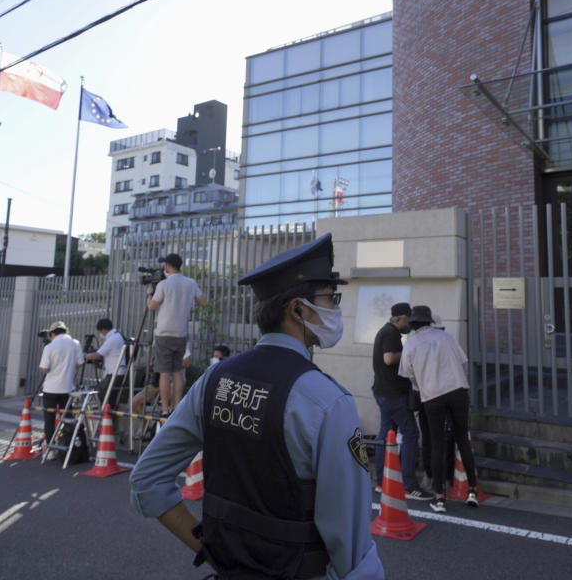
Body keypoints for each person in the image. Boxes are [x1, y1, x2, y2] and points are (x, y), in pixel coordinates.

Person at [130, 233, 384, 579]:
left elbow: (147, 480)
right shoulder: (327, 402)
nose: (336, 309)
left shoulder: (213, 379)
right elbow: (352, 554)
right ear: (298, 309)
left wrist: (211, 553)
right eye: (331, 298)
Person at [398, 305, 481, 513]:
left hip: (432, 395)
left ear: (414, 323)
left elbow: (407, 374)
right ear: (430, 321)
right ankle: (472, 491)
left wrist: (422, 382)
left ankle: (440, 498)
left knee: (437, 443)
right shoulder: (447, 338)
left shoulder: (411, 343)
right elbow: (463, 361)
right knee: (462, 438)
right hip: (458, 390)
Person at [371, 302, 433, 501]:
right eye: (407, 320)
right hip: (393, 394)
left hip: (383, 392)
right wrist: (410, 351)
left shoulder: (386, 331)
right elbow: (389, 359)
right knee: (410, 433)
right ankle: (408, 484)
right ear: (398, 319)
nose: (409, 324)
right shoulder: (390, 333)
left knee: (385, 436)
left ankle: (381, 481)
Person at [146, 253, 207, 416]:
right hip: (181, 332)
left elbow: (151, 307)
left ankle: (165, 409)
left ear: (167, 266)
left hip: (164, 332)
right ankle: (176, 408)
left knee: (164, 373)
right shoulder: (191, 283)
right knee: (178, 372)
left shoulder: (164, 285)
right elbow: (204, 302)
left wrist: (149, 293)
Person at [39, 320, 83, 457]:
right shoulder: (75, 343)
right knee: (69, 418)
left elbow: (45, 369)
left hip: (51, 389)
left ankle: (51, 450)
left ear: (52, 333)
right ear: (66, 331)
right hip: (67, 389)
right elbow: (80, 363)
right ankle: (69, 446)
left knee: (49, 420)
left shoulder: (50, 347)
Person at [85, 318, 126, 408]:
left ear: (103, 330)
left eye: (100, 331)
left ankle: (106, 414)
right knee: (111, 396)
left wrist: (85, 356)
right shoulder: (118, 335)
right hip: (118, 372)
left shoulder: (112, 339)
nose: (101, 334)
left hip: (115, 373)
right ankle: (110, 415)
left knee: (100, 392)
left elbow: (98, 355)